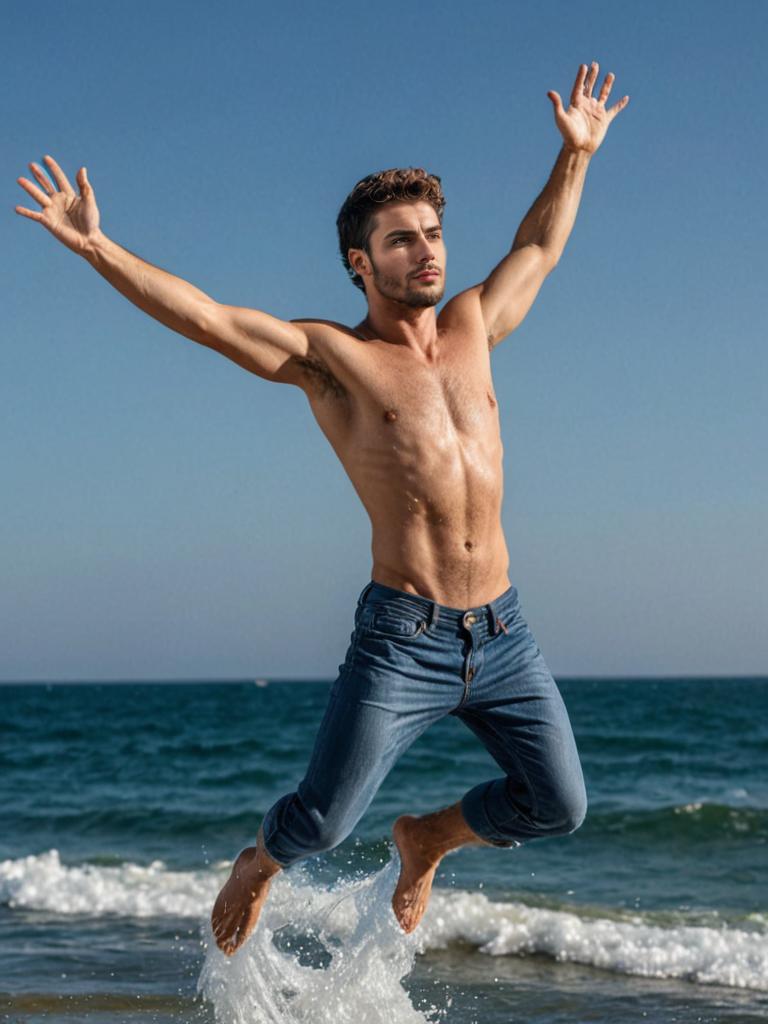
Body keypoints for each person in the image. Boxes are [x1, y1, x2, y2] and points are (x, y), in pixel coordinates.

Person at [15, 61, 629, 956]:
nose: (425, 250)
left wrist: (575, 156)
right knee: (322, 824)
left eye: (432, 234)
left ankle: (427, 839)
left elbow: (538, 248)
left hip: (503, 633)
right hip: (404, 636)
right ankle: (257, 861)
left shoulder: (473, 326)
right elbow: (207, 319)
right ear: (360, 261)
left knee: (559, 805)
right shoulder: (329, 358)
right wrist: (98, 248)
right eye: (400, 239)